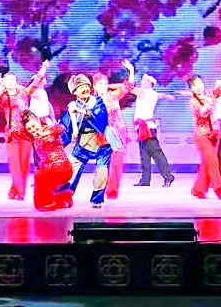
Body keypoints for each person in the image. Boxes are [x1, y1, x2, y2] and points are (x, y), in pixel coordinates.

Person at [59, 69, 124, 208]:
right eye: (81, 87)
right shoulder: (72, 107)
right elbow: (66, 128)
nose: (85, 89)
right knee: (71, 168)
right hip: (83, 142)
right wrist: (56, 143)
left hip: (102, 142)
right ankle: (64, 196)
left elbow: (101, 119)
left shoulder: (97, 101)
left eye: (86, 86)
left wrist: (82, 111)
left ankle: (97, 199)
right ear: (74, 92)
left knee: (102, 171)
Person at [0, 60, 50, 201]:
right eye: (8, 80)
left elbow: (36, 82)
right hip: (12, 134)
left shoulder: (23, 93)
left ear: (16, 81)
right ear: (4, 82)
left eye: (13, 79)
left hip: (26, 133)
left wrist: (43, 68)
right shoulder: (4, 97)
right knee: (15, 165)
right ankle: (21, 192)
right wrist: (1, 87)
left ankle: (14, 191)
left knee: (24, 165)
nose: (11, 82)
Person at [186, 62, 221, 200]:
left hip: (214, 134)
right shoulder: (193, 102)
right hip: (201, 135)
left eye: (200, 83)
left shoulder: (210, 93)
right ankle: (218, 188)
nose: (198, 87)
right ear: (191, 88)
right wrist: (208, 103)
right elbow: (203, 112)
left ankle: (198, 190)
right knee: (212, 160)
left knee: (207, 163)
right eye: (195, 85)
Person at [92, 60, 135, 199]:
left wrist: (131, 70)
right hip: (103, 134)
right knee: (104, 162)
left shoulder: (113, 96)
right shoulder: (92, 102)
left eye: (105, 83)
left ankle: (112, 189)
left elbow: (128, 86)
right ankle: (102, 186)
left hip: (119, 132)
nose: (103, 86)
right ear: (95, 86)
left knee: (117, 161)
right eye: (100, 84)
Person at [22, 110, 73, 211]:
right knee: (41, 179)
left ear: (38, 120)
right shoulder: (34, 137)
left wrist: (47, 132)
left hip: (62, 168)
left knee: (39, 175)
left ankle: (44, 204)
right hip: (50, 170)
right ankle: (63, 197)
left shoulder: (49, 129)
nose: (33, 130)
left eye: (33, 126)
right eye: (29, 129)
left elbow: (61, 127)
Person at [132, 74, 176, 188]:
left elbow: (129, 88)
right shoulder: (154, 93)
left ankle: (168, 176)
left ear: (149, 83)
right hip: (144, 127)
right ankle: (145, 180)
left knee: (156, 153)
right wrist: (167, 96)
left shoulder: (144, 92)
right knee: (144, 154)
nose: (141, 81)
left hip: (147, 128)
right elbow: (161, 95)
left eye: (143, 80)